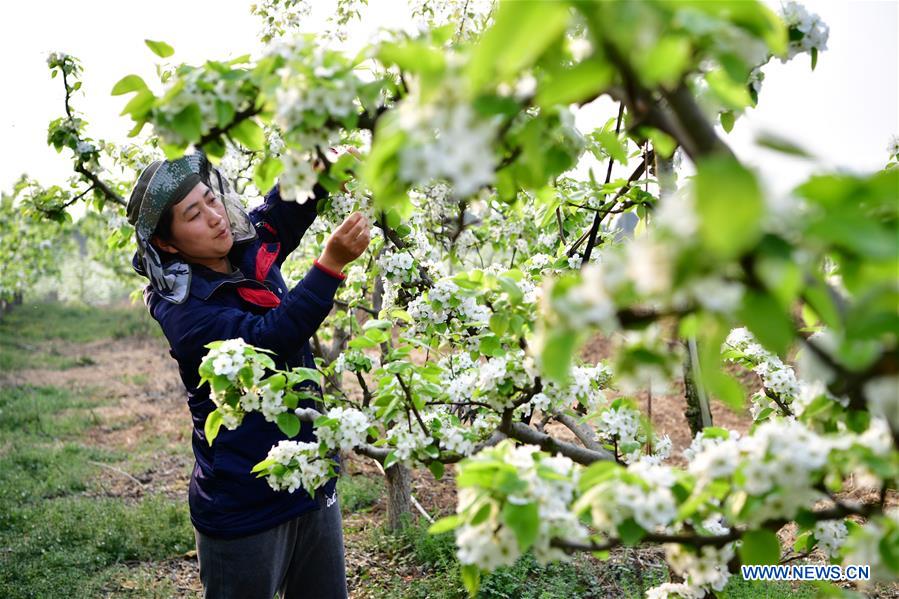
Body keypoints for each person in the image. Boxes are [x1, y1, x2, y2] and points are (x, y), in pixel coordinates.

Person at [126, 151, 369, 599]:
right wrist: (330, 265)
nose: (215, 217)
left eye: (211, 200)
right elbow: (267, 339)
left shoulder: (242, 247)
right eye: (194, 215)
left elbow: (278, 216)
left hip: (310, 479)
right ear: (168, 244)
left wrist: (315, 172)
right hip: (244, 505)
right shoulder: (184, 312)